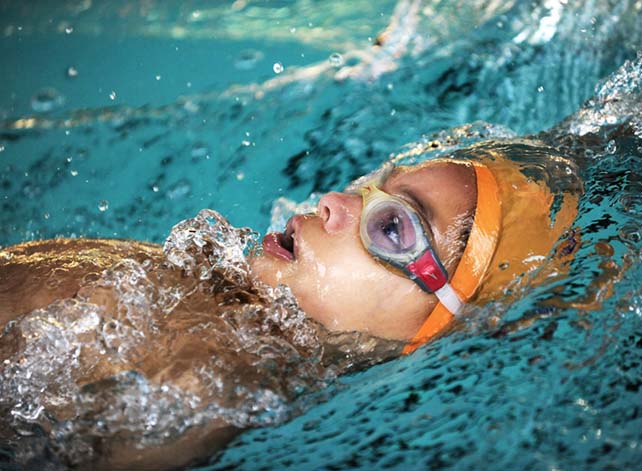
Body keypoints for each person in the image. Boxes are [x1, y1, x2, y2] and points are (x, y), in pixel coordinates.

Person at [0, 139, 581, 469]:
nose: (333, 201)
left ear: (428, 329)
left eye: (392, 227)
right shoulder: (205, 293)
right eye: (369, 188)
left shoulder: (205, 386)